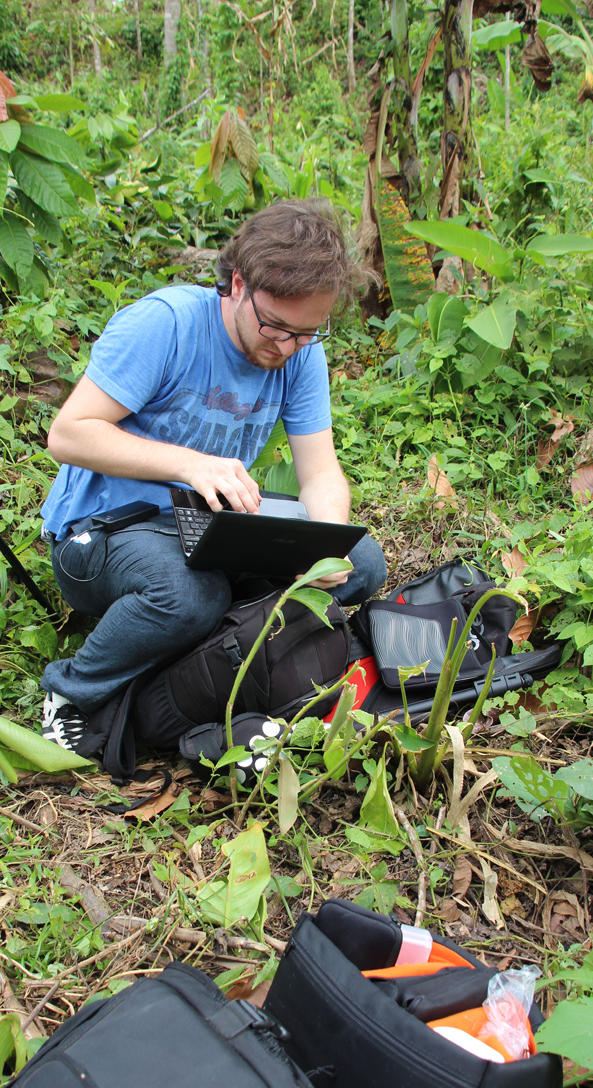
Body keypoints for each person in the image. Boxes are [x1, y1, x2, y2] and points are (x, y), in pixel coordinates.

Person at [39, 198, 387, 751]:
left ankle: (211, 655)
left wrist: (325, 546)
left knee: (363, 566)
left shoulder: (299, 353)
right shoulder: (168, 324)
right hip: (106, 530)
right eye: (273, 326)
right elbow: (69, 433)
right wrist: (188, 463)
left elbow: (321, 473)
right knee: (190, 596)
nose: (285, 346)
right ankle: (72, 693)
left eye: (305, 333)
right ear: (239, 284)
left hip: (211, 525)